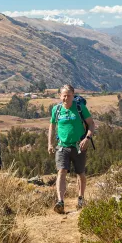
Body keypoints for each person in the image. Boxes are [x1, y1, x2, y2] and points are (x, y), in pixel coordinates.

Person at [48, 84, 95, 214]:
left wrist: (87, 139)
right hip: (62, 146)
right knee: (61, 172)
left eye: (69, 96)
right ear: (60, 96)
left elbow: (91, 124)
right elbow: (51, 126)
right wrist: (50, 144)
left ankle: (80, 198)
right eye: (64, 95)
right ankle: (60, 201)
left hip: (79, 145)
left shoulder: (80, 108)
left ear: (73, 96)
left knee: (80, 173)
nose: (66, 98)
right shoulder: (56, 109)